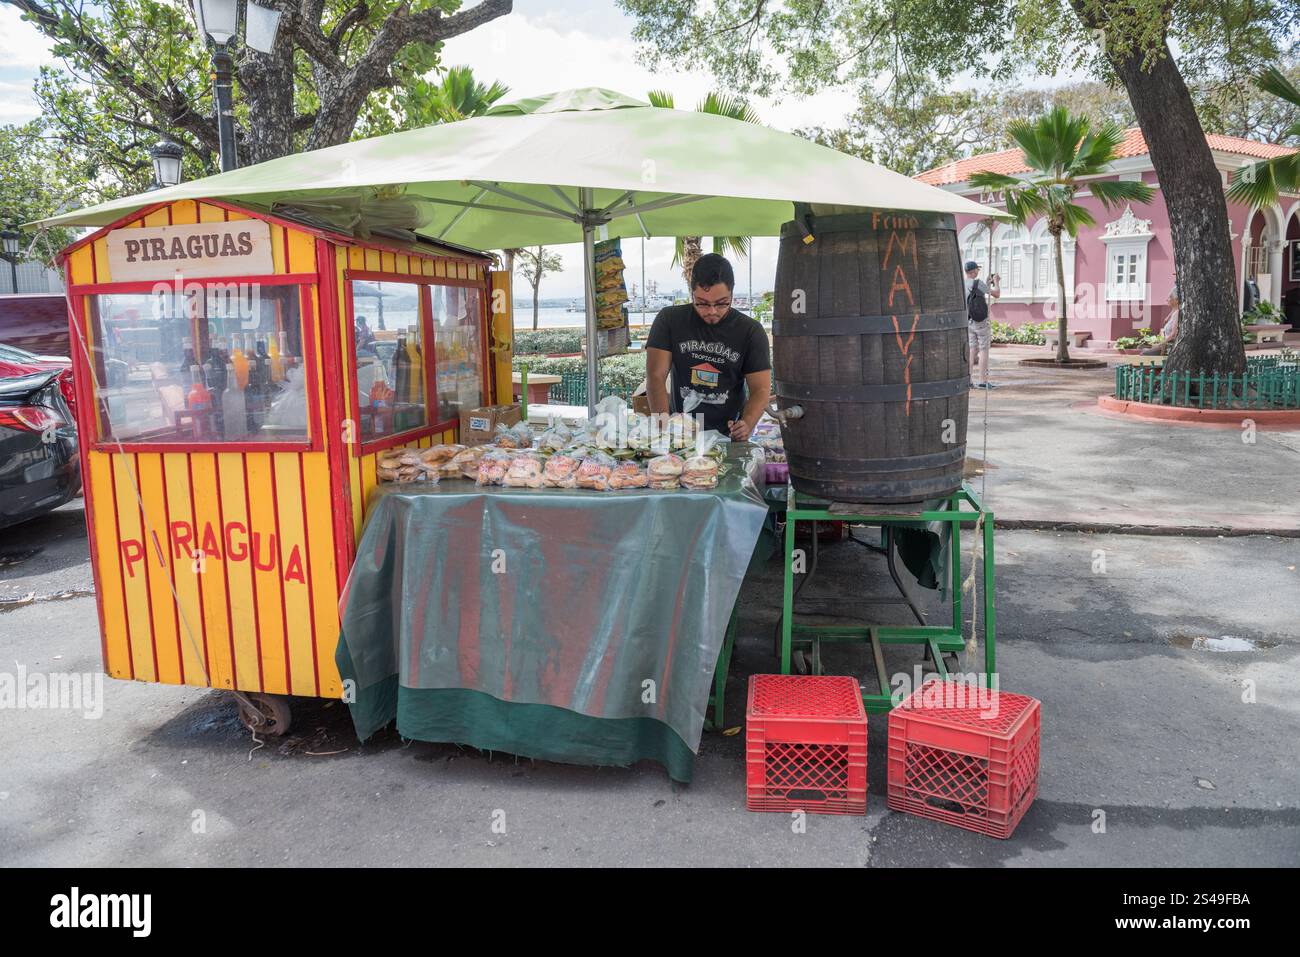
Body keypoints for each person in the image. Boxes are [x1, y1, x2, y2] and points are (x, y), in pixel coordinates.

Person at [646, 253, 771, 440]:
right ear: (692, 293)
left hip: (729, 435)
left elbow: (761, 388)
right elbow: (655, 376)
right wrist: (664, 429)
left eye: (722, 303)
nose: (712, 311)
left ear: (732, 293)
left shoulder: (750, 331)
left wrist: (747, 422)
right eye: (702, 304)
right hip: (679, 433)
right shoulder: (669, 320)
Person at [965, 260, 1000, 389]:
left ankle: (968, 380)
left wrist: (986, 283)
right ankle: (982, 381)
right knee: (984, 349)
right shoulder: (977, 283)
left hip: (968, 320)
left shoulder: (962, 284)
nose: (977, 272)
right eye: (977, 270)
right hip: (980, 321)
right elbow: (996, 294)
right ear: (973, 271)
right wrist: (996, 282)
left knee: (972, 349)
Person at [1141, 287, 1180, 356]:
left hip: (1167, 347)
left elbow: (1173, 334)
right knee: (1142, 348)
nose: (1167, 299)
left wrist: (1160, 344)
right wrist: (1168, 317)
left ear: (1176, 300)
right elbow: (1174, 309)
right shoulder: (1175, 312)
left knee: (1144, 353)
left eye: (1170, 297)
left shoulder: (1177, 314)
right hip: (1164, 345)